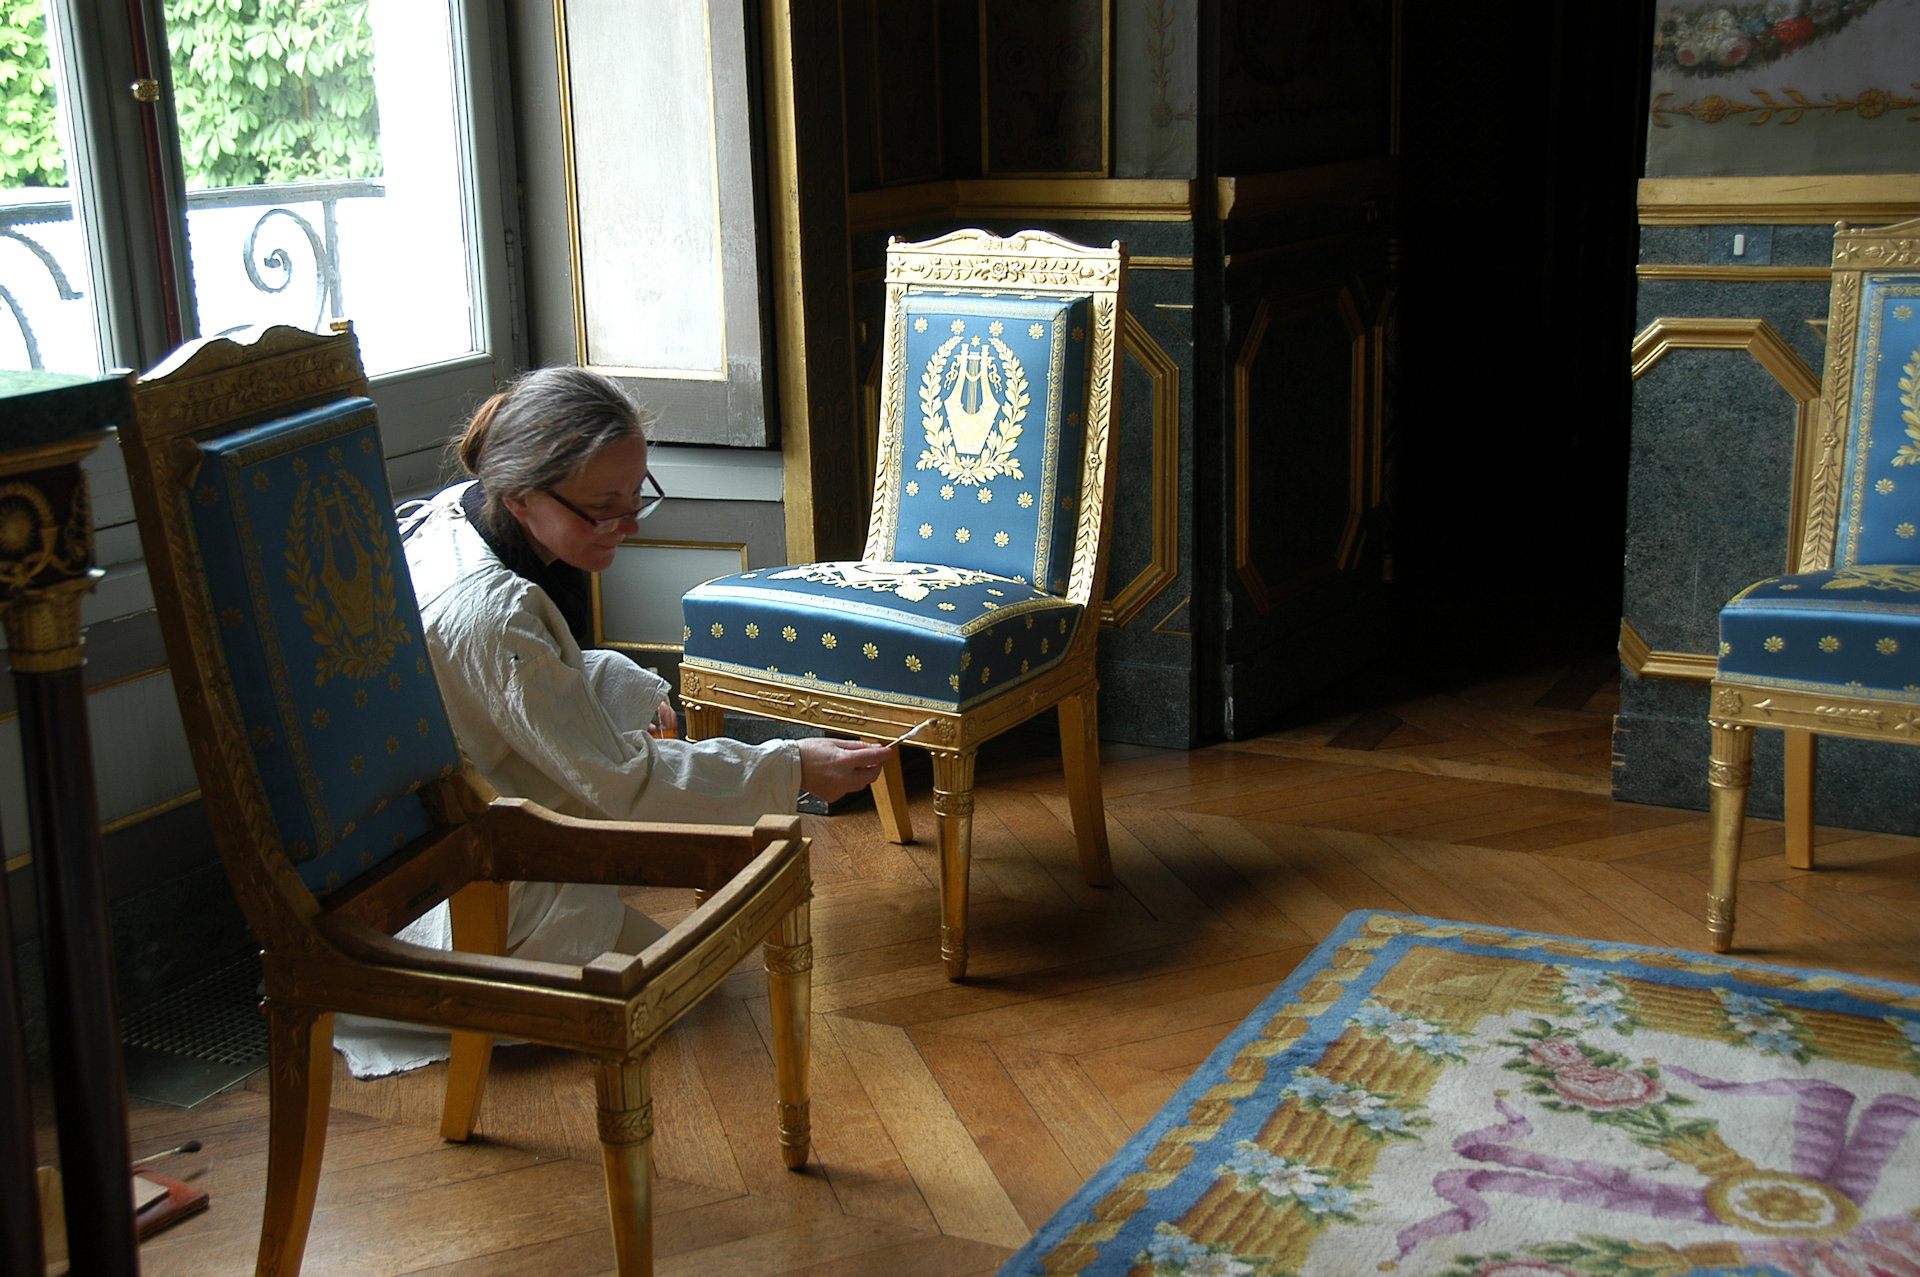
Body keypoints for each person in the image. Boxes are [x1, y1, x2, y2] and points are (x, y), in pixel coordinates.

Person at [334, 367, 889, 1076]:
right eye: (604, 507)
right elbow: (622, 783)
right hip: (457, 877)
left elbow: (517, 685)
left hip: (437, 819)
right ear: (522, 495)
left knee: (675, 972)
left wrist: (626, 688)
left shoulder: (460, 512)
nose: (630, 523)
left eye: (637, 493)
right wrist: (794, 766)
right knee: (670, 979)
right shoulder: (493, 614)